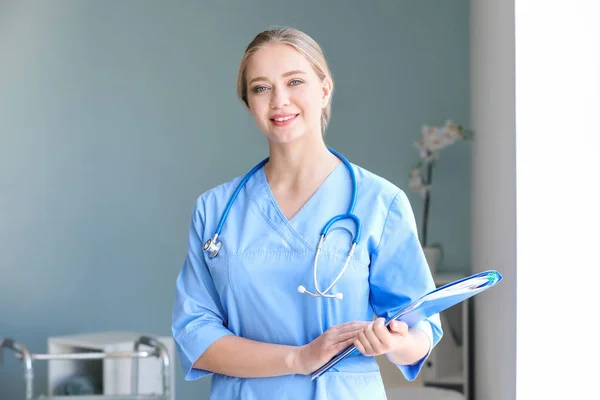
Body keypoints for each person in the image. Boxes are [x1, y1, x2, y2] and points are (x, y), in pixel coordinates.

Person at [171, 27, 442, 399]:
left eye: (294, 81)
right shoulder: (215, 210)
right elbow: (195, 334)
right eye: (261, 88)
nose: (279, 100)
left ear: (324, 88)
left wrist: (392, 342)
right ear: (249, 102)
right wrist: (298, 358)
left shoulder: (380, 202)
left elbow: (420, 332)